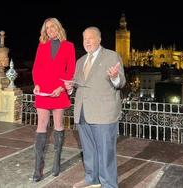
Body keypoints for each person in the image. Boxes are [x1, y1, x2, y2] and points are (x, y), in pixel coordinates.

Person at [65, 27, 126, 188]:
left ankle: (109, 185)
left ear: (99, 39)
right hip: (82, 112)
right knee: (89, 150)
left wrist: (114, 77)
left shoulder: (112, 56)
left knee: (106, 153)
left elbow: (121, 82)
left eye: (90, 38)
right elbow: (80, 85)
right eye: (84, 38)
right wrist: (70, 87)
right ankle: (92, 179)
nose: (87, 41)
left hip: (104, 113)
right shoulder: (80, 61)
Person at [32, 17, 76, 182]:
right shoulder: (42, 45)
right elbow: (37, 67)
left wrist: (62, 87)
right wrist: (36, 84)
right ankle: (38, 168)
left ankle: (56, 162)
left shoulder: (69, 46)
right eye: (47, 28)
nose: (50, 30)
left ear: (58, 27)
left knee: (58, 126)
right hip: (42, 91)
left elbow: (70, 69)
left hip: (59, 90)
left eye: (52, 27)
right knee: (41, 126)